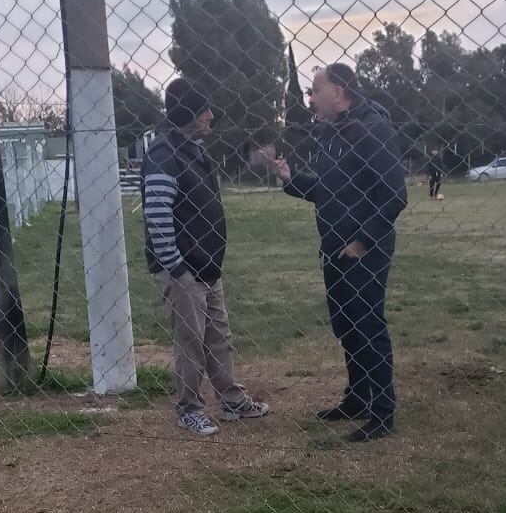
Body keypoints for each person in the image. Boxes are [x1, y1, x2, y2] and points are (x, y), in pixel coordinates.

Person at [274, 64, 407, 442]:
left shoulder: (372, 128)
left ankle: (382, 412)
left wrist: (362, 241)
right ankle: (358, 398)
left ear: (340, 90)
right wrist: (290, 179)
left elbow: (394, 194)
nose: (310, 98)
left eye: (316, 90)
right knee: (346, 327)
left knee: (367, 327)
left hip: (365, 251)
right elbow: (327, 191)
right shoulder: (330, 135)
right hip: (333, 250)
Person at [141, 78, 269, 436]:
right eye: (203, 111)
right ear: (188, 115)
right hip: (183, 270)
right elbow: (157, 216)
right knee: (190, 341)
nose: (211, 116)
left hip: (207, 267)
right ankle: (189, 409)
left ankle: (231, 399)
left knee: (218, 337)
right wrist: (178, 269)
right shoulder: (165, 154)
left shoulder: (192, 149)